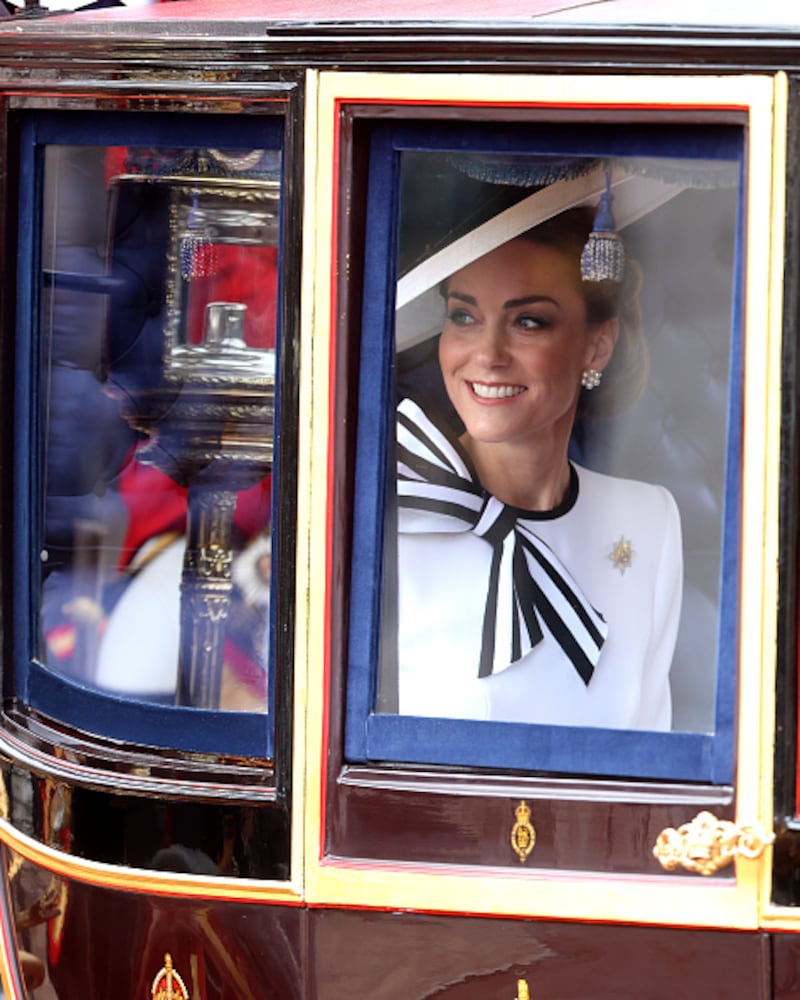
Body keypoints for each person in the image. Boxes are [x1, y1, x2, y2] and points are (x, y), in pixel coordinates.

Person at [391, 205, 682, 731]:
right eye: (464, 316)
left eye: (528, 321)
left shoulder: (648, 521)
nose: (487, 353)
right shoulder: (391, 514)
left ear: (597, 344)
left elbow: (649, 758)